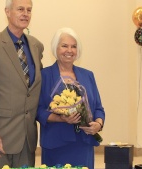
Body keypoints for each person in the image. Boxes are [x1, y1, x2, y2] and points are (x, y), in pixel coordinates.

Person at [0, 0, 44, 168]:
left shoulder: (36, 46)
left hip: (27, 139)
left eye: (29, 10)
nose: (25, 13)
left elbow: (33, 89)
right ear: (7, 12)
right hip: (0, 138)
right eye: (20, 9)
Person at [36, 27, 105, 169]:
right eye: (65, 46)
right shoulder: (44, 75)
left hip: (83, 145)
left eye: (74, 46)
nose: (70, 50)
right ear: (56, 48)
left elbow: (98, 107)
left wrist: (98, 124)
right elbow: (38, 110)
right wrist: (60, 118)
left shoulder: (88, 75)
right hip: (56, 145)